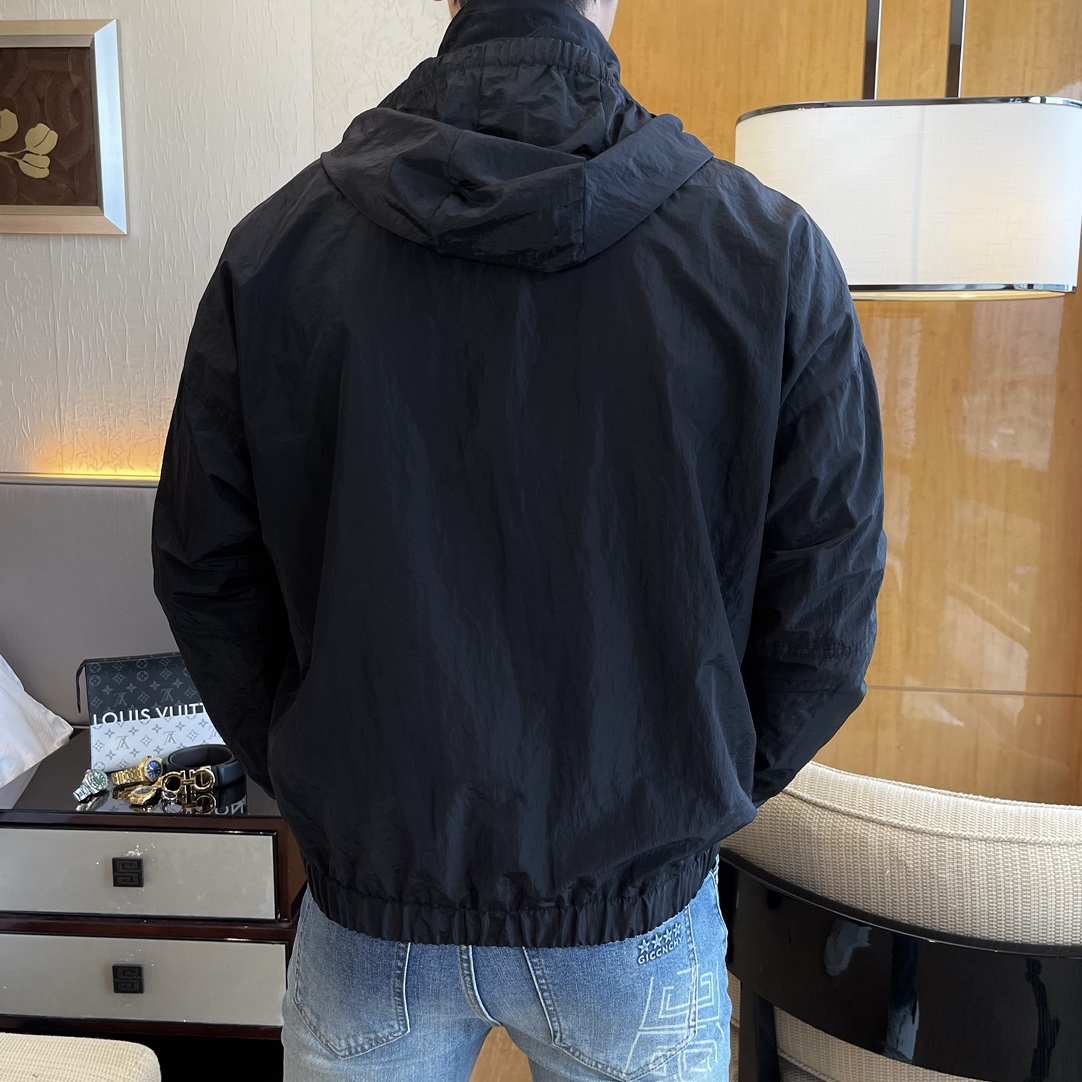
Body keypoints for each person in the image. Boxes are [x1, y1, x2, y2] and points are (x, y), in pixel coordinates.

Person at [151, 0, 886, 1077]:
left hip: (375, 905)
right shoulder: (768, 253)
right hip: (630, 911)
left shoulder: (277, 252)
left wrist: (327, 777)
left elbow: (202, 571)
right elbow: (826, 621)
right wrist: (691, 789)